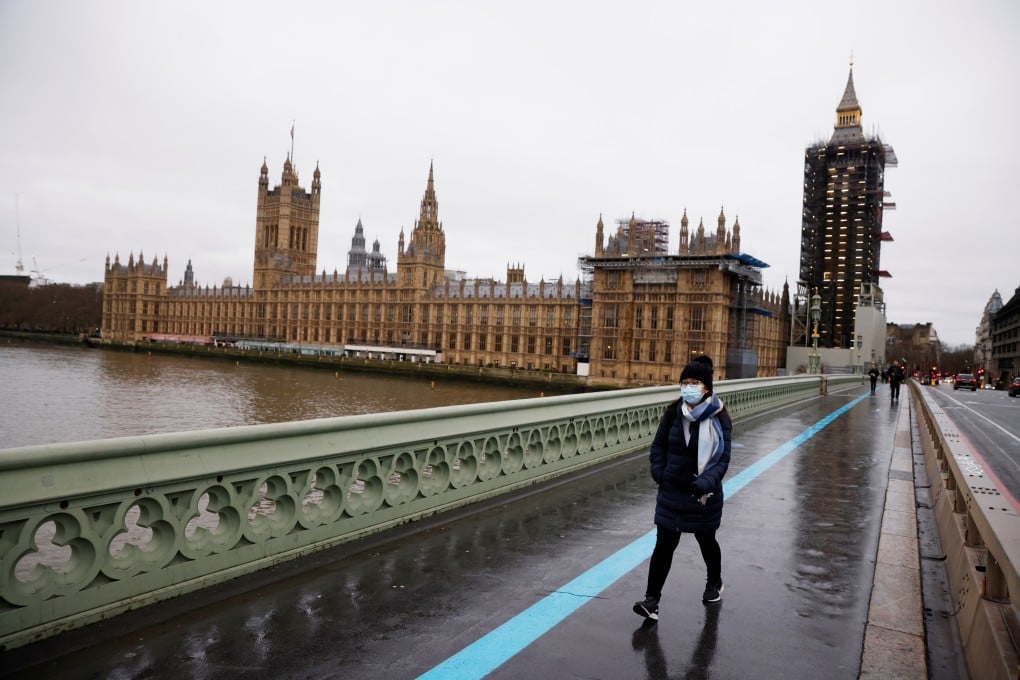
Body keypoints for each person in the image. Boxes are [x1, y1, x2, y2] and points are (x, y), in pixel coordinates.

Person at [633, 355, 732, 621]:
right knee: (664, 544)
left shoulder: (719, 417)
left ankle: (714, 582)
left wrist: (704, 483)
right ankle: (652, 601)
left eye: (694, 382)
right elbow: (658, 447)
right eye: (685, 382)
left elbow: (722, 458)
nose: (689, 387)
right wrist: (659, 473)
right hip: (672, 490)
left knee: (706, 540)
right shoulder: (672, 413)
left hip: (703, 494)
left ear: (707, 387)